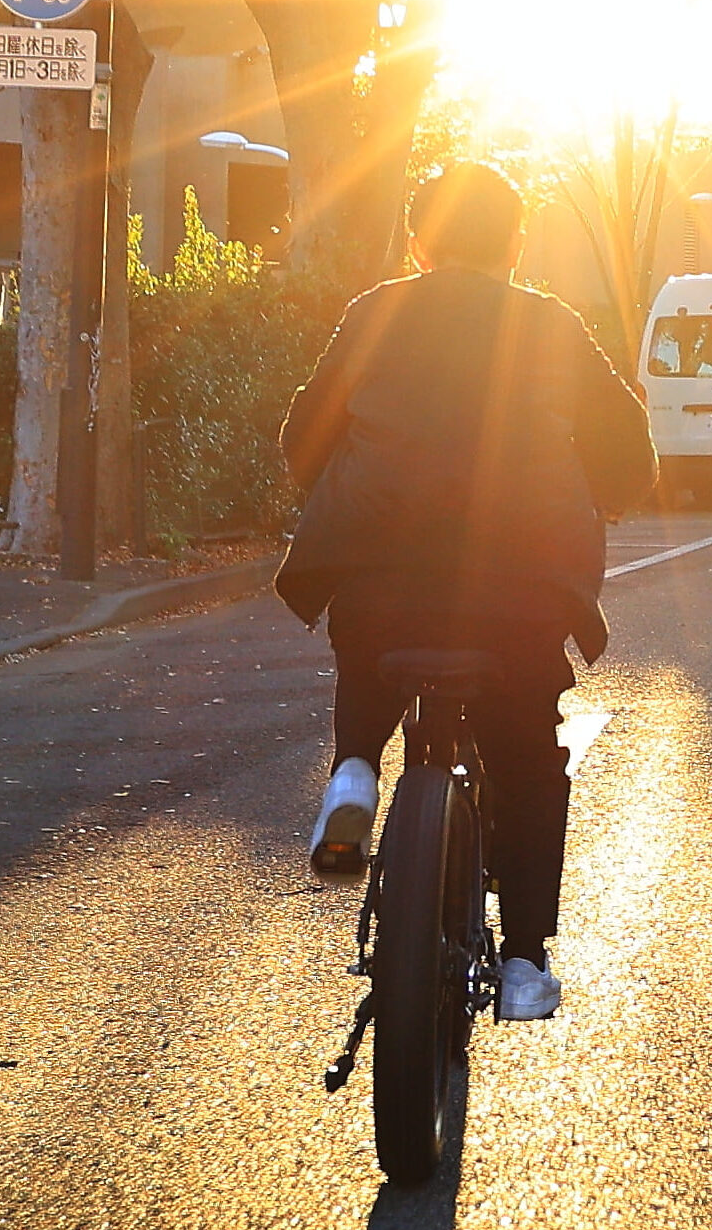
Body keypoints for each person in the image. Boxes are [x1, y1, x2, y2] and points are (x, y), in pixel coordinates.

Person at [277, 163, 656, 1021]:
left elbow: (302, 437)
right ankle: (524, 959)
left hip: (381, 577)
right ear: (517, 246)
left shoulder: (375, 311)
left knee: (370, 643)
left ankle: (354, 772)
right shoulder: (552, 324)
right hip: (517, 589)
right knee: (526, 754)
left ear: (419, 241)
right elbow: (628, 451)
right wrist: (610, 494)